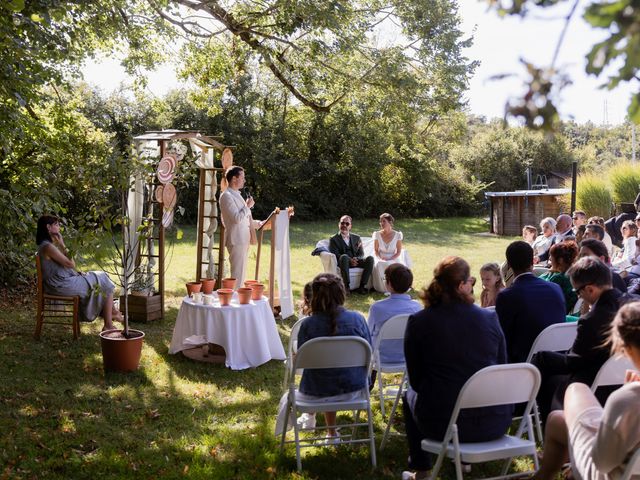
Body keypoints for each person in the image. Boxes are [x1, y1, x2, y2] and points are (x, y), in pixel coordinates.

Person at [401, 256, 512, 480]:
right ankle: (462, 460)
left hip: (443, 423)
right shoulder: (490, 319)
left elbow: (416, 380)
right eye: (471, 280)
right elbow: (502, 367)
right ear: (462, 285)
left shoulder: (419, 321)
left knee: (409, 395)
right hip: (495, 420)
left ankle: (422, 471)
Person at [532, 301, 640, 480]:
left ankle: (557, 473)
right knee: (556, 420)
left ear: (624, 347)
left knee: (575, 388)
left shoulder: (627, 399)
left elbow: (602, 463)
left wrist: (628, 393)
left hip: (608, 473)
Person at [532, 257, 623, 423]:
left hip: (596, 387)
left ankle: (551, 427)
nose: (579, 296)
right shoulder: (633, 303)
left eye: (577, 292)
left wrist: (545, 357)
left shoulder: (592, 319)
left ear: (590, 289)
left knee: (542, 360)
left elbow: (574, 362)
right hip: (625, 380)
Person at [296, 273, 372, 443]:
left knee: (323, 374)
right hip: (354, 391)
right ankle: (331, 433)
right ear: (342, 294)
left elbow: (302, 360)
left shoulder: (307, 325)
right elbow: (370, 352)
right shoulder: (358, 319)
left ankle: (319, 424)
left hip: (315, 392)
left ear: (314, 296)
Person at [36, 215, 122, 331]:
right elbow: (71, 264)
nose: (59, 227)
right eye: (56, 224)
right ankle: (109, 320)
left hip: (60, 282)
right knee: (103, 278)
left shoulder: (46, 246)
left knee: (102, 277)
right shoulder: (48, 247)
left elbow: (63, 266)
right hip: (60, 285)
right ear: (48, 227)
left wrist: (75, 273)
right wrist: (62, 244)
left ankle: (111, 314)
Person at [495, 241, 566, 363]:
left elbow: (502, 338)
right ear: (532, 261)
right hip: (557, 359)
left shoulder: (507, 296)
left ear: (509, 265)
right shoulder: (555, 288)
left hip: (524, 365)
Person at [367, 264, 421, 365]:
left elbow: (368, 334)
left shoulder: (377, 308)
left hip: (380, 358)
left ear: (390, 284)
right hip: (408, 357)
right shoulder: (417, 308)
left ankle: (370, 378)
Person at [219, 166, 262, 286]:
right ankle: (235, 301)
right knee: (237, 275)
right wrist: (247, 206)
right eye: (242, 177)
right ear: (234, 179)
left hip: (243, 240)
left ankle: (237, 299)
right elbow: (237, 219)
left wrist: (259, 223)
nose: (244, 180)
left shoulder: (236, 195)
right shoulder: (226, 196)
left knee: (241, 274)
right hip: (236, 240)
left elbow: (244, 220)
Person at [329, 215, 374, 294]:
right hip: (343, 262)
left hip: (356, 261)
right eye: (342, 223)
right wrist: (350, 260)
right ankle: (346, 287)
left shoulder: (357, 238)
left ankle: (362, 286)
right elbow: (335, 254)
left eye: (347, 224)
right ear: (339, 224)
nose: (344, 225)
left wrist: (356, 259)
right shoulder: (333, 239)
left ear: (350, 226)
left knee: (370, 259)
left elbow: (361, 253)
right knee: (344, 257)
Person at [371, 212, 410, 293]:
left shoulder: (397, 235)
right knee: (380, 264)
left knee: (392, 264)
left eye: (384, 221)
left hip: (393, 257)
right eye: (380, 221)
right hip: (380, 257)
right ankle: (382, 288)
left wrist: (390, 258)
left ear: (390, 222)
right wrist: (380, 258)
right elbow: (375, 250)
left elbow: (398, 252)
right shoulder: (377, 234)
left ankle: (394, 286)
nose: (381, 223)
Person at [540, 241, 579, 313]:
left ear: (560, 260)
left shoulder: (559, 278)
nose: (550, 259)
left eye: (551, 256)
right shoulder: (573, 273)